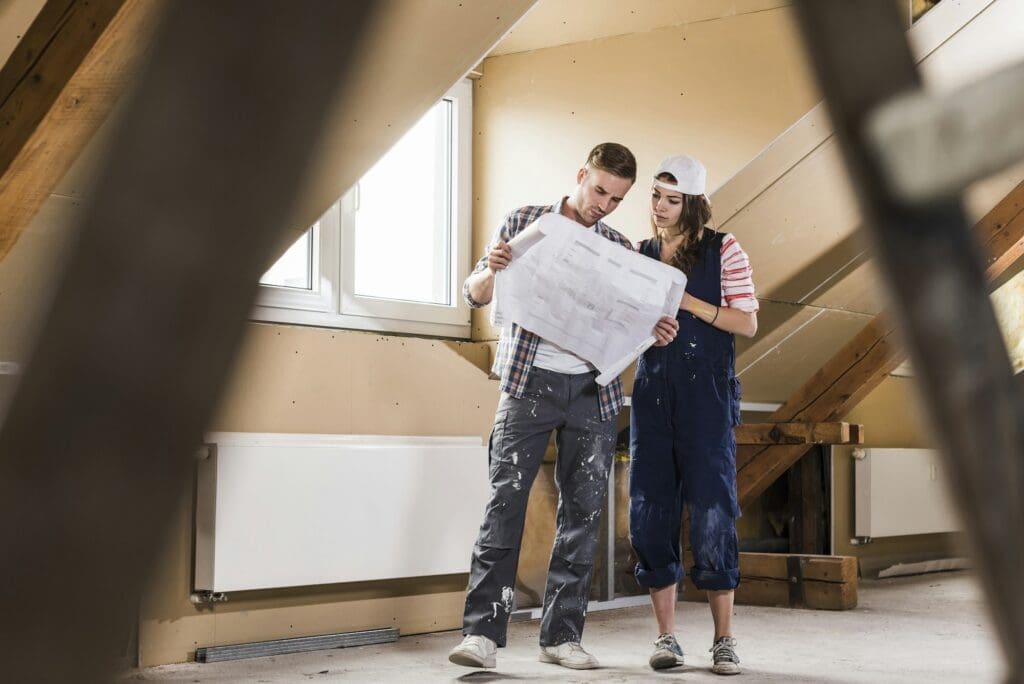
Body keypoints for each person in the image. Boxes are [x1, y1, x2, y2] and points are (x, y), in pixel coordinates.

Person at [448, 143, 679, 671]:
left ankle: (561, 636)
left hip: (592, 392)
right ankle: (481, 634)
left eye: (617, 198)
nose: (604, 204)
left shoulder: (619, 247)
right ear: (581, 175)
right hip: (528, 381)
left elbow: (629, 320)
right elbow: (476, 292)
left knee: (584, 513)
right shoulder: (528, 220)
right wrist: (493, 269)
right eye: (599, 190)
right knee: (504, 505)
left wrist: (657, 332)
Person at [628, 154, 758, 675]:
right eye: (656, 196)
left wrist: (689, 304)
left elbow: (746, 321)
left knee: (712, 510)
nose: (660, 207)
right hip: (652, 397)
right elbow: (627, 323)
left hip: (706, 399)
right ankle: (666, 638)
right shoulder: (638, 254)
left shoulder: (723, 248)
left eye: (672, 199)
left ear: (694, 203)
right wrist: (647, 329)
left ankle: (724, 639)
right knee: (650, 509)